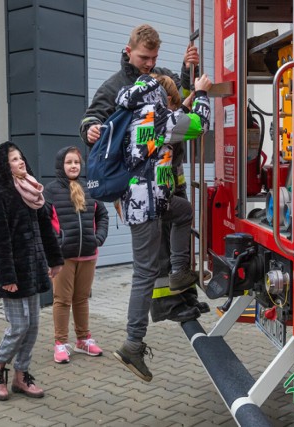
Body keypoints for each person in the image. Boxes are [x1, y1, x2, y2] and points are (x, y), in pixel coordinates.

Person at [112, 73, 212, 382]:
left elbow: (176, 116)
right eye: (169, 100)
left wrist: (184, 101)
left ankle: (180, 270)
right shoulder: (159, 120)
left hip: (153, 200)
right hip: (145, 206)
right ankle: (132, 344)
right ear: (161, 100)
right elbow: (199, 125)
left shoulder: (140, 115)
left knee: (183, 211)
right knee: (144, 273)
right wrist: (202, 94)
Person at [0, 141, 64, 401]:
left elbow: (46, 231)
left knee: (33, 326)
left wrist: (55, 260)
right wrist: (6, 277)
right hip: (14, 273)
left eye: (20, 157)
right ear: (3, 167)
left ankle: (21, 375)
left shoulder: (32, 190)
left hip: (35, 269)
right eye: (13, 160)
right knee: (18, 326)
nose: (20, 162)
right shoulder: (0, 195)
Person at [43, 146, 109, 364]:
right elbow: (43, 223)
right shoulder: (51, 191)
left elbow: (103, 216)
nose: (73, 166)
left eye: (77, 163)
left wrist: (97, 238)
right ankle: (60, 343)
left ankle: (83, 340)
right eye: (69, 162)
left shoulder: (90, 188)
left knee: (81, 299)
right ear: (60, 166)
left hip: (88, 255)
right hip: (63, 258)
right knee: (62, 300)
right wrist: (58, 244)